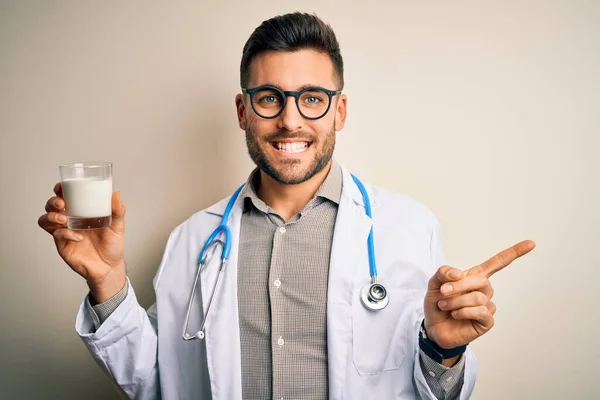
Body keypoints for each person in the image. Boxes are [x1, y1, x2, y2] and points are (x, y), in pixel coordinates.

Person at [38, 12, 535, 400]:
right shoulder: (193, 240)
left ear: (339, 110)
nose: (290, 121)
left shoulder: (408, 227)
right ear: (243, 111)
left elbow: (434, 392)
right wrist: (106, 282)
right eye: (270, 98)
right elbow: (157, 384)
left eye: (312, 98)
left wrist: (443, 349)